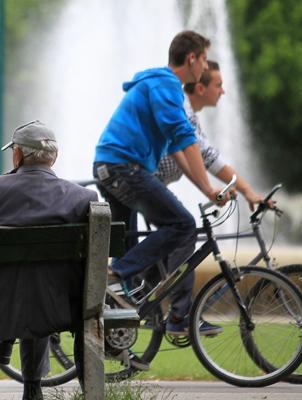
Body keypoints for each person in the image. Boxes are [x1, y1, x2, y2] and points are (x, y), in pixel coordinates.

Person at [93, 30, 230, 350]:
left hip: (114, 166)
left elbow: (180, 151)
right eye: (204, 60)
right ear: (192, 58)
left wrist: (206, 189)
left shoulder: (159, 86)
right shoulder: (166, 85)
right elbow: (185, 138)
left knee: (133, 241)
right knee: (181, 225)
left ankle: (129, 316)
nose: (205, 67)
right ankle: (117, 274)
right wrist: (211, 190)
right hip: (123, 168)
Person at [0, 121, 98, 400]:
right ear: (54, 157)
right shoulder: (83, 197)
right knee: (40, 286)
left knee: (26, 285)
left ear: (17, 155)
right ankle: (45, 387)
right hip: (63, 305)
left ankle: (11, 351)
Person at [153, 60, 266, 336]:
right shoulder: (184, 110)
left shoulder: (190, 113)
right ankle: (179, 315)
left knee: (170, 240)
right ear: (200, 87)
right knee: (183, 230)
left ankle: (153, 303)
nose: (223, 91)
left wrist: (236, 189)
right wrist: (246, 190)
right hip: (142, 181)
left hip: (149, 182)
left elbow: (205, 154)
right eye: (219, 85)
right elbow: (206, 154)